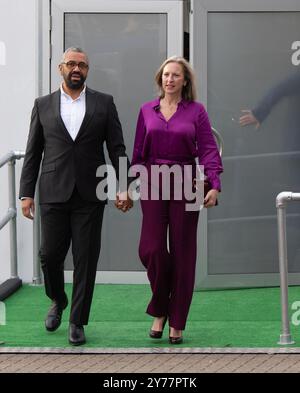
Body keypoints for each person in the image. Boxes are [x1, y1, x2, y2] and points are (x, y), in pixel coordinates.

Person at [19, 47, 132, 346]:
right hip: (53, 191)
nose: (76, 69)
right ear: (61, 68)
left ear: (87, 70)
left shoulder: (104, 103)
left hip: (91, 193)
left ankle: (77, 321)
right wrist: (25, 194)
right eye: (71, 63)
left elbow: (117, 148)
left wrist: (124, 186)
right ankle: (58, 298)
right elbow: (33, 153)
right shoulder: (42, 105)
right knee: (49, 256)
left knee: (85, 259)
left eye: (82, 64)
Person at [130, 56, 223, 344]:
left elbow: (208, 150)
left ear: (185, 81)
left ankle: (174, 321)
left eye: (175, 75)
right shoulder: (147, 110)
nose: (169, 79)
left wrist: (214, 184)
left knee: (184, 254)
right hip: (153, 183)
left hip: (188, 182)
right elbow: (138, 153)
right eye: (166, 75)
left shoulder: (197, 111)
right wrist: (130, 186)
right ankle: (161, 305)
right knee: (152, 249)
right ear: (160, 79)